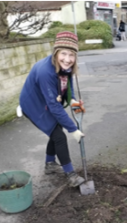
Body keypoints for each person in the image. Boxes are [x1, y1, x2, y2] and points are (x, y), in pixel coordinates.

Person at [18, 31, 86, 187]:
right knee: (59, 136)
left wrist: (73, 99)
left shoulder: (65, 67)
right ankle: (71, 175)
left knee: (55, 130)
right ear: (56, 52)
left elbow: (68, 84)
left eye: (71, 55)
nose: (67, 59)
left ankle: (50, 164)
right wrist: (73, 129)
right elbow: (54, 106)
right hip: (34, 105)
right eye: (63, 54)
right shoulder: (45, 72)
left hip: (46, 101)